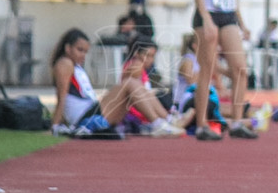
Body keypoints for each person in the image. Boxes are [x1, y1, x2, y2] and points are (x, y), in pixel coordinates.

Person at [189, 0, 258, 140]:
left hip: (227, 13)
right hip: (207, 13)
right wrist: (206, 19)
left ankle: (237, 122)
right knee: (207, 71)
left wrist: (242, 23)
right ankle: (201, 125)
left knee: (240, 68)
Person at [50, 28, 184, 138]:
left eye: (85, 52)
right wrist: (55, 126)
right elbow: (62, 97)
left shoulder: (75, 66)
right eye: (80, 50)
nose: (83, 55)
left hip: (92, 111)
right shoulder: (64, 63)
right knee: (129, 83)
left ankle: (166, 120)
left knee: (133, 85)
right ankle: (159, 123)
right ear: (67, 48)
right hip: (83, 117)